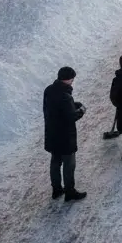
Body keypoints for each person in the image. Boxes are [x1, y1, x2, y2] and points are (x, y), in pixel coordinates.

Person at [43, 66, 86, 201]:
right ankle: (70, 192)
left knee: (55, 162)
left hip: (52, 133)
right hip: (65, 137)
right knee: (69, 164)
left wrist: (72, 103)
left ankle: (56, 190)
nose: (73, 81)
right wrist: (81, 111)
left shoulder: (49, 90)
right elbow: (71, 117)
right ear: (67, 79)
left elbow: (56, 108)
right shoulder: (65, 96)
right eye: (72, 79)